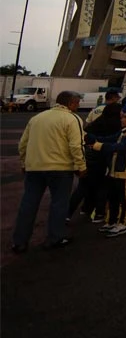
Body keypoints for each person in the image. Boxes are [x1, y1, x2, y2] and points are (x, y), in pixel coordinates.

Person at [11, 91, 86, 252]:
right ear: (71, 103)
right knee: (59, 203)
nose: (78, 106)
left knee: (28, 203)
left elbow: (22, 144)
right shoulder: (72, 119)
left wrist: (24, 163)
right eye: (77, 103)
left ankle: (19, 241)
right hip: (60, 168)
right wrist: (81, 166)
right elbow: (76, 146)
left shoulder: (37, 118)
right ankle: (55, 237)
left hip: (34, 167)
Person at [91, 107, 126, 237]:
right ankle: (112, 221)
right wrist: (92, 138)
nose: (122, 119)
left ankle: (123, 223)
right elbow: (110, 139)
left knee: (124, 198)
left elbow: (124, 146)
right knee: (113, 197)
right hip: (115, 169)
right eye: (122, 117)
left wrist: (100, 146)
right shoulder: (124, 131)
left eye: (125, 117)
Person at [69, 102, 122, 223]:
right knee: (102, 187)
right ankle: (99, 213)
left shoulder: (96, 123)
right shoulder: (117, 126)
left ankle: (71, 212)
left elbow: (85, 135)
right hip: (104, 158)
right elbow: (113, 141)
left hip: (89, 157)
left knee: (83, 186)